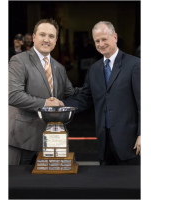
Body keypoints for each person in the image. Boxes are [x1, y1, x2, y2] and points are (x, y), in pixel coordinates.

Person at [63, 21, 141, 165]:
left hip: (131, 143)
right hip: (104, 143)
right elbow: (84, 99)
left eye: (104, 39)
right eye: (97, 41)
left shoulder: (135, 64)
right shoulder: (93, 69)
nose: (101, 44)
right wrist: (61, 105)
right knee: (107, 185)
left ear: (115, 37)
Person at [9, 18, 80, 165]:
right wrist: (45, 103)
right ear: (34, 37)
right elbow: (13, 95)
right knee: (17, 186)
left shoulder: (59, 68)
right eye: (42, 35)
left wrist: (97, 87)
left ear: (56, 40)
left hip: (50, 141)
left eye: (51, 36)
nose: (47, 40)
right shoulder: (19, 61)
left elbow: (71, 93)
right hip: (22, 141)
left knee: (43, 186)